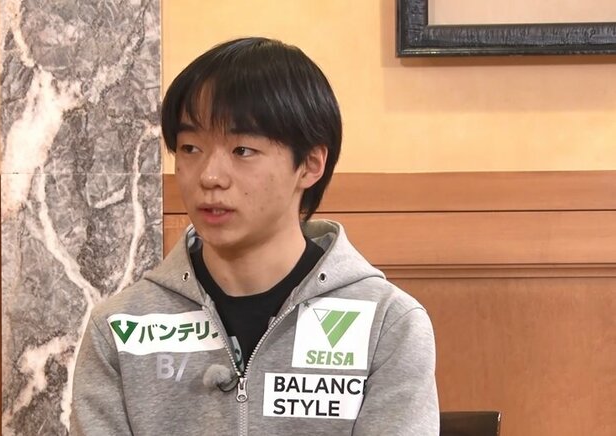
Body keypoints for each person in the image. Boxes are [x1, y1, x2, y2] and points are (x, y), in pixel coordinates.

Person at [71, 37, 439, 435]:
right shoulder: (120, 328)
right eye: (190, 148)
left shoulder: (387, 323)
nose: (210, 176)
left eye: (242, 150)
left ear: (310, 164)